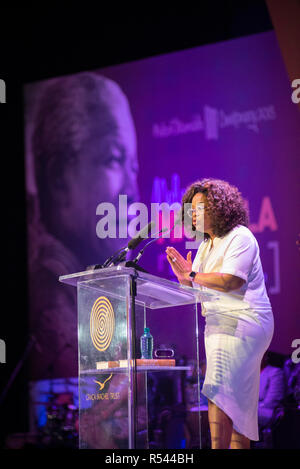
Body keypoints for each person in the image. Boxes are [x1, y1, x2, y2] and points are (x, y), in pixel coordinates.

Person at [27, 72, 139, 380]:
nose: (133, 190)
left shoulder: (94, 286)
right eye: (113, 159)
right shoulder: (46, 301)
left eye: (134, 167)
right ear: (59, 179)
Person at [165, 178, 274, 449]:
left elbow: (230, 281)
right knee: (237, 404)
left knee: (218, 390)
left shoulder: (240, 236)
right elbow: (199, 290)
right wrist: (185, 280)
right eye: (191, 209)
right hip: (216, 326)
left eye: (201, 207)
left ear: (220, 208)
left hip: (243, 321)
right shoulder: (205, 246)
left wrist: (193, 274)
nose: (194, 214)